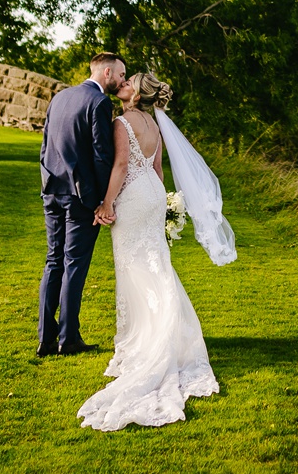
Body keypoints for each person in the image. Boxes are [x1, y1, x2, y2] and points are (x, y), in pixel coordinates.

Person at [77, 71, 236, 430]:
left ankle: (148, 339)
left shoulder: (122, 123)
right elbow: (158, 169)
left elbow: (121, 165)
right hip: (152, 193)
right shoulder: (153, 124)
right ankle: (164, 329)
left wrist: (107, 203)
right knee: (156, 264)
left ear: (136, 94)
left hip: (133, 197)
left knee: (134, 267)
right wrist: (161, 204)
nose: (123, 85)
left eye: (128, 83)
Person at [36, 53, 123, 356]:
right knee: (73, 264)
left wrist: (46, 181)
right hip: (80, 198)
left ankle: (46, 338)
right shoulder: (99, 103)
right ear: (107, 72)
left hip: (52, 190)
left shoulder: (60, 97)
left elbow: (45, 146)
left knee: (53, 261)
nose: (122, 80)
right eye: (121, 74)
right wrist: (102, 200)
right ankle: (68, 339)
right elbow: (101, 156)